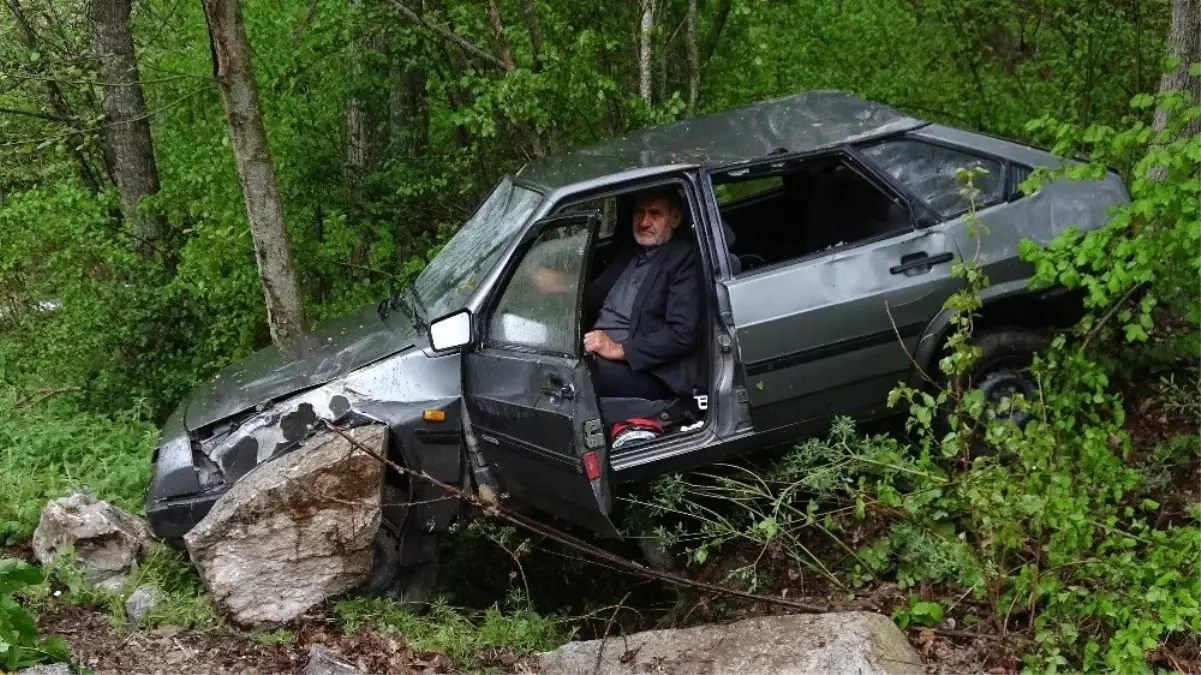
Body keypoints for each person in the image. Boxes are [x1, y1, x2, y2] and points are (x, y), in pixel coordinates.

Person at [582, 188, 703, 401]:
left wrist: (618, 349)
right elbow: (594, 295)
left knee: (569, 377)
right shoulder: (630, 251)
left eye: (655, 214)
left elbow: (682, 333)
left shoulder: (684, 259)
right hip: (598, 350)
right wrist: (559, 288)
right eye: (639, 212)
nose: (644, 222)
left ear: (675, 220)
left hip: (649, 371)